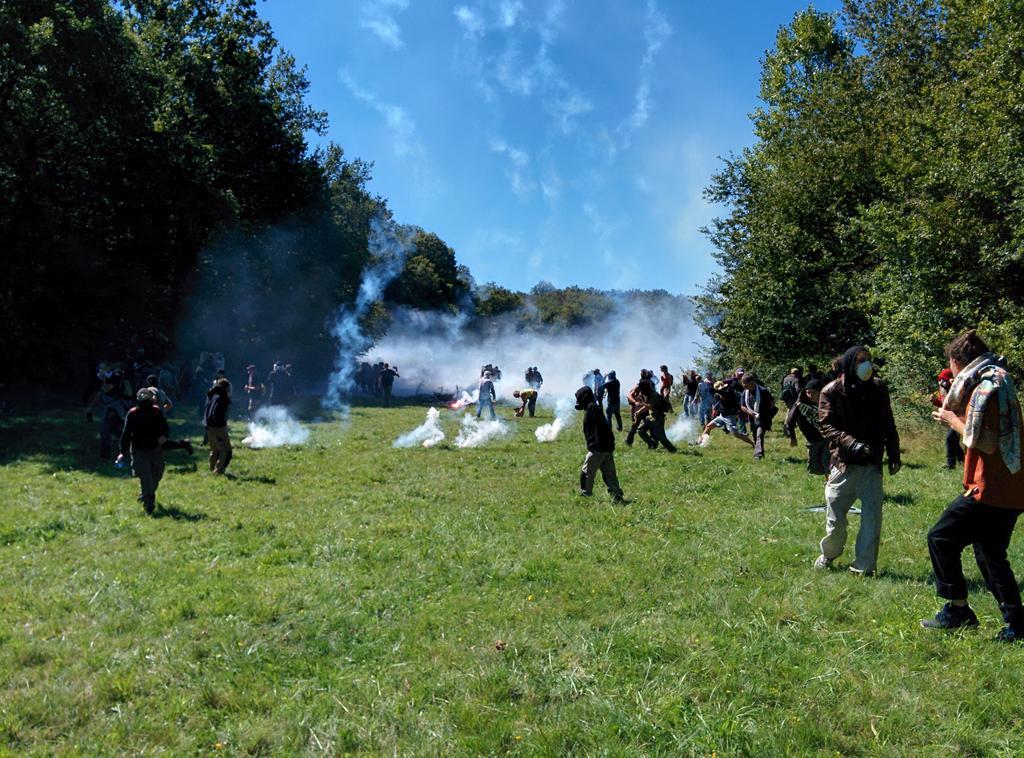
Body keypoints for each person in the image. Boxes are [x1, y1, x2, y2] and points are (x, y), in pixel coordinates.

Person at [922, 330, 1024, 640]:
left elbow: (988, 443)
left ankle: (958, 610)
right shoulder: (999, 379)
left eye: (950, 365)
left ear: (956, 362)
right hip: (1014, 486)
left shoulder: (985, 388)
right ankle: (1018, 624)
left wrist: (952, 421)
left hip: (990, 488)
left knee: (941, 538)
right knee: (990, 552)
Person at [814, 345, 900, 576]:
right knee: (836, 522)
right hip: (844, 464)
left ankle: (864, 567)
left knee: (872, 519)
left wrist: (894, 452)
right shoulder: (831, 391)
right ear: (850, 364)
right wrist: (851, 443)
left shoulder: (878, 388)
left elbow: (887, 421)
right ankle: (829, 554)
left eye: (869, 359)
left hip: (871, 464)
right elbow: (827, 425)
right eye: (862, 360)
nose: (867, 364)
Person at [116, 388, 170, 515]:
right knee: (145, 474)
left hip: (155, 448)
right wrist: (122, 452)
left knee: (157, 474)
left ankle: (146, 493)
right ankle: (149, 502)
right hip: (139, 449)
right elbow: (126, 434)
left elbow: (165, 428)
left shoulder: (157, 412)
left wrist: (164, 436)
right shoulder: (132, 414)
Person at [575, 384, 625, 502]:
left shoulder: (592, 408)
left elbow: (599, 429)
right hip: (606, 447)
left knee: (587, 472)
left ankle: (586, 495)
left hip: (599, 448)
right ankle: (616, 494)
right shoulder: (594, 407)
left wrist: (595, 446)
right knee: (610, 474)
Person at [86, 364, 133, 459]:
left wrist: (103, 379)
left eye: (102, 368)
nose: (100, 371)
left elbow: (106, 389)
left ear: (108, 368)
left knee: (105, 431)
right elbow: (100, 393)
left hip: (115, 408)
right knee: (116, 430)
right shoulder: (110, 378)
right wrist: (90, 406)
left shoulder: (114, 378)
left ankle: (105, 456)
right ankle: (133, 444)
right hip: (114, 408)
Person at [784, 378, 829, 475]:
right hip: (812, 440)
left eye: (814, 393)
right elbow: (790, 421)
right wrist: (792, 436)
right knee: (814, 468)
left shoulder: (827, 404)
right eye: (808, 393)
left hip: (827, 439)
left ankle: (829, 482)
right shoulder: (801, 405)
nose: (811, 396)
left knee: (828, 465)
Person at [698, 380, 753, 448]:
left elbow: (722, 392)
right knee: (708, 426)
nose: (719, 388)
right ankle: (700, 442)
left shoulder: (728, 392)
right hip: (722, 416)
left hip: (729, 417)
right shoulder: (722, 393)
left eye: (719, 387)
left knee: (736, 434)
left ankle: (753, 444)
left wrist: (711, 387)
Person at [740, 372, 778, 460]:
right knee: (755, 435)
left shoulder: (763, 391)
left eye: (745, 383)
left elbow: (772, 402)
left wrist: (767, 412)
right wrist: (751, 413)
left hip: (763, 417)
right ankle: (761, 452)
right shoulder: (744, 393)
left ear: (752, 382)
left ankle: (758, 455)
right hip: (752, 418)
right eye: (742, 382)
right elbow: (742, 406)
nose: (743, 385)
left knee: (759, 434)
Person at [931, 368, 964, 469]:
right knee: (953, 440)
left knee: (950, 439)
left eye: (943, 379)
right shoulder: (944, 390)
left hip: (959, 418)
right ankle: (962, 459)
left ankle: (951, 464)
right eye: (940, 380)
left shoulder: (957, 389)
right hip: (951, 419)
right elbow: (944, 405)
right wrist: (935, 401)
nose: (941, 382)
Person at [204, 378, 233, 475]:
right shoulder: (222, 396)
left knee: (214, 449)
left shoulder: (212, 395)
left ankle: (212, 469)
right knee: (225, 450)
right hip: (218, 427)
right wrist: (221, 424)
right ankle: (218, 470)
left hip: (209, 425)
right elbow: (216, 412)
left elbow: (207, 410)